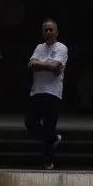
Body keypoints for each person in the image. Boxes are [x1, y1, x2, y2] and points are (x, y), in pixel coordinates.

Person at [26, 17, 67, 167]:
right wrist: (48, 65)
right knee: (30, 122)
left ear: (56, 32)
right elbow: (31, 65)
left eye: (51, 29)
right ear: (42, 32)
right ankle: (53, 138)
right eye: (46, 30)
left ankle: (48, 161)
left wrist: (40, 64)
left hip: (53, 93)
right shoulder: (39, 47)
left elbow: (55, 66)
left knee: (49, 125)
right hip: (37, 91)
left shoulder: (61, 48)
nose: (48, 32)